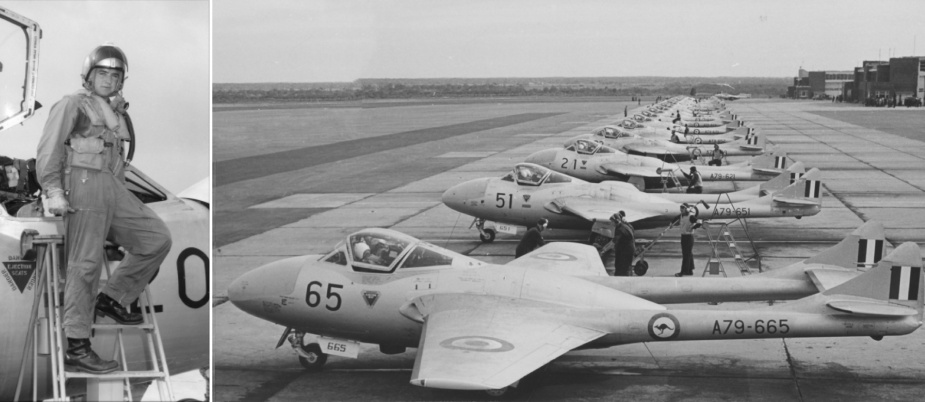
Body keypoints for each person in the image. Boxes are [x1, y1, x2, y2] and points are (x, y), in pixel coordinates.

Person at [36, 45, 172, 374]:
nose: (109, 80)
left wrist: (117, 111)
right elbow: (48, 149)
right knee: (84, 267)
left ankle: (112, 298)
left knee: (157, 238)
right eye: (103, 74)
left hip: (112, 189)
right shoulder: (72, 104)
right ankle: (79, 348)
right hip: (83, 187)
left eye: (115, 75)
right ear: (89, 76)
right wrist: (53, 190)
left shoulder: (114, 112)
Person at [675, 205, 702, 277]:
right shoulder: (681, 216)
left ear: (686, 209)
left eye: (682, 210)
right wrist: (671, 223)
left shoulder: (691, 217)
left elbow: (699, 222)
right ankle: (689, 270)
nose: (681, 211)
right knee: (689, 254)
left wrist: (693, 227)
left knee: (686, 255)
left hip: (689, 237)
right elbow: (675, 218)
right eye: (680, 210)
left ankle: (683, 272)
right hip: (683, 236)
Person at [610, 212, 635, 276]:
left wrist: (603, 250)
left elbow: (613, 242)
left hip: (625, 251)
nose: (611, 223)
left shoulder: (620, 229)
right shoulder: (624, 225)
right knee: (625, 267)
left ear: (616, 221)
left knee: (621, 269)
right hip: (627, 250)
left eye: (612, 221)